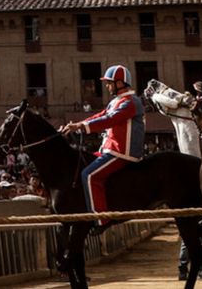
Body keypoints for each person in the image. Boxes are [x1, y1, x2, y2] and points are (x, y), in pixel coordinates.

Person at [61, 65, 144, 227]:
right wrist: (78, 124)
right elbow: (101, 115)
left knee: (89, 175)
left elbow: (109, 120)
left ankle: (102, 220)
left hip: (122, 153)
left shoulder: (131, 102)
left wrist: (80, 127)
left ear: (120, 83)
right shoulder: (116, 101)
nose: (107, 86)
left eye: (109, 83)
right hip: (111, 150)